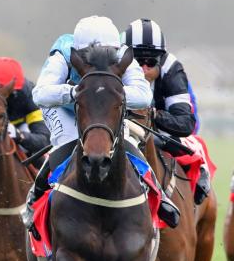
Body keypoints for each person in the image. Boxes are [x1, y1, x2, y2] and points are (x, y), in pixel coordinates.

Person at [22, 15, 179, 233]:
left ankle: (159, 194)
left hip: (103, 108)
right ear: (79, 52)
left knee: (128, 144)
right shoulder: (63, 53)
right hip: (65, 107)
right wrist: (75, 92)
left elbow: (143, 95)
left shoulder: (122, 54)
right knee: (66, 147)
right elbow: (40, 94)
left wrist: (107, 93)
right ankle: (35, 197)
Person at [123, 18, 210, 204]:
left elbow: (186, 123)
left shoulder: (172, 70)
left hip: (163, 129)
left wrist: (152, 115)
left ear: (161, 60)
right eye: (137, 61)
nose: (144, 69)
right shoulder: (116, 65)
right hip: (126, 126)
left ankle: (201, 176)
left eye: (150, 62)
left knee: (193, 144)